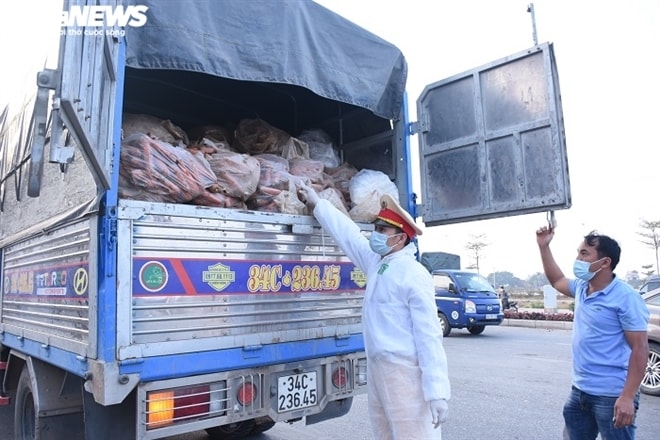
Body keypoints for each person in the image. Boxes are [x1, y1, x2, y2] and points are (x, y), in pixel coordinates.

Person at [297, 182, 450, 440]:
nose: (375, 235)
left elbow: (429, 336)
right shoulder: (379, 264)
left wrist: (437, 392)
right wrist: (317, 203)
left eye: (382, 230)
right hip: (379, 370)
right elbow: (349, 236)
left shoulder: (414, 274)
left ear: (400, 237)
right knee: (385, 434)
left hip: (405, 375)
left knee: (412, 434)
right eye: (376, 228)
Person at [535, 225, 649, 440]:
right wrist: (544, 246)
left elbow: (640, 348)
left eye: (584, 253)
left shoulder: (625, 297)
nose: (578, 258)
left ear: (605, 262)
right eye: (578, 252)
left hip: (612, 395)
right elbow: (557, 280)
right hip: (580, 391)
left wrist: (627, 397)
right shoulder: (581, 287)